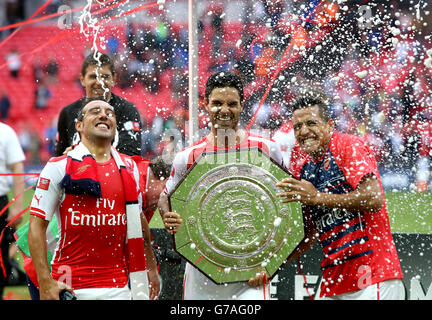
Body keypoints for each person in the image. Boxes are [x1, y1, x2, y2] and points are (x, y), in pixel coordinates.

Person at [158, 71, 284, 300]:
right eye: (217, 103)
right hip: (201, 270)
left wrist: (271, 263)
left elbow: (288, 207)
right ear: (205, 104)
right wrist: (168, 216)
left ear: (242, 105)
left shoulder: (267, 150)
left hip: (251, 270)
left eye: (231, 104)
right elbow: (165, 197)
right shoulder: (187, 157)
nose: (224, 110)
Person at [28, 100, 160, 300]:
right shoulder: (59, 167)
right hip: (71, 286)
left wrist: (150, 267)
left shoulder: (130, 169)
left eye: (110, 113)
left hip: (119, 287)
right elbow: (36, 226)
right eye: (95, 111)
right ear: (79, 125)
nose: (104, 115)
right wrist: (45, 282)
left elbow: (138, 222)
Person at [276, 95, 404, 300]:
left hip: (373, 275)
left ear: (329, 125)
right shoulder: (305, 169)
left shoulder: (347, 146)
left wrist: (317, 197)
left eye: (311, 123)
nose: (303, 131)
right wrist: (271, 267)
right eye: (297, 126)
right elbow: (307, 235)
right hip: (336, 279)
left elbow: (373, 199)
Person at [54, 52, 142, 157]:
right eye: (93, 76)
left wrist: (81, 154)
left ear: (113, 79)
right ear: (82, 79)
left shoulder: (127, 110)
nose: (99, 82)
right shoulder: (68, 113)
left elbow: (131, 155)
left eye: (105, 77)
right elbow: (60, 156)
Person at [0, 122, 25, 299]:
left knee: (1, 258)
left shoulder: (5, 132)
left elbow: (17, 167)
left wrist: (17, 205)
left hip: (0, 202)